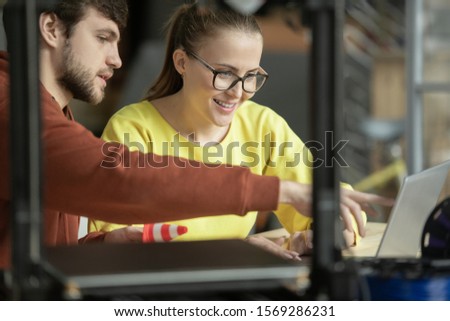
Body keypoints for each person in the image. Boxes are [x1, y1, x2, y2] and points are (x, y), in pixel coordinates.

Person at [0, 0, 393, 270]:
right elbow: (117, 177)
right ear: (51, 28)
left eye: (251, 77)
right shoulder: (13, 106)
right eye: (103, 38)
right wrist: (277, 195)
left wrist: (322, 227)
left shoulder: (50, 111)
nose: (117, 60)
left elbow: (59, 250)